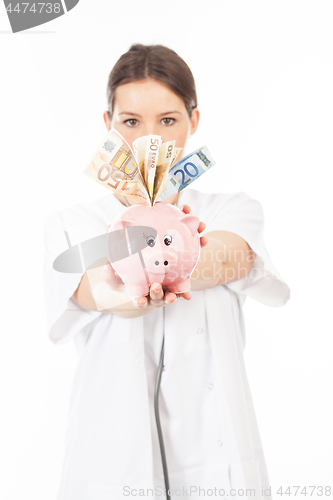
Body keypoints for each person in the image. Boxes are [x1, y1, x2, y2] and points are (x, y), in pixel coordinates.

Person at [43, 44, 290, 500]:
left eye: (169, 120)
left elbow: (219, 260)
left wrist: (147, 241)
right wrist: (132, 282)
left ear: (194, 121)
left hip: (219, 460)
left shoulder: (233, 210)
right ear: (108, 125)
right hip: (113, 463)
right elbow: (100, 290)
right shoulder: (73, 222)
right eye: (131, 122)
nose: (149, 139)